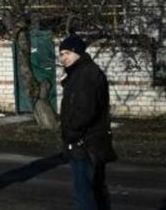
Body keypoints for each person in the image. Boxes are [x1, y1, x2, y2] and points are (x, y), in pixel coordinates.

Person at [59, 34, 116, 210]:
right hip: (91, 142)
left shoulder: (85, 75)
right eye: (61, 54)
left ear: (78, 53)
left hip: (84, 144)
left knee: (84, 194)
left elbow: (83, 111)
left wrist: (70, 135)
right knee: (96, 191)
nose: (63, 58)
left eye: (67, 53)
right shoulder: (82, 73)